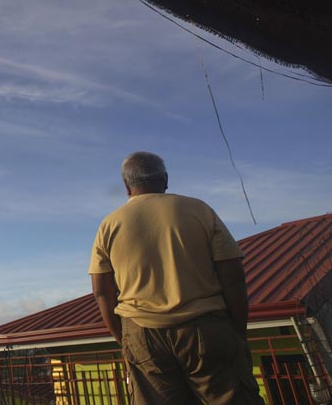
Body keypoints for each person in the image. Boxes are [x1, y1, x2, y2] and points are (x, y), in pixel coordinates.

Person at [89, 152, 263, 404]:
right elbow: (233, 275)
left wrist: (124, 339)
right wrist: (237, 331)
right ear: (165, 180)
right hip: (205, 328)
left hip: (142, 333)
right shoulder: (199, 210)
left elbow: (102, 292)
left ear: (127, 186)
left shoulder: (109, 224)